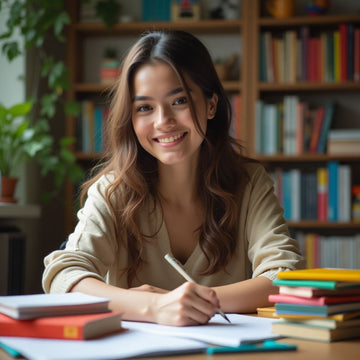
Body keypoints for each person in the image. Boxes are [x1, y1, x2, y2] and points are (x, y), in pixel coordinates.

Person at [42, 30, 305, 326]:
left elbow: (286, 276)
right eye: (144, 108)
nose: (162, 121)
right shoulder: (113, 191)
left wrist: (191, 303)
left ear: (211, 104)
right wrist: (153, 307)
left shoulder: (249, 182)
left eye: (179, 101)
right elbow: (65, 275)